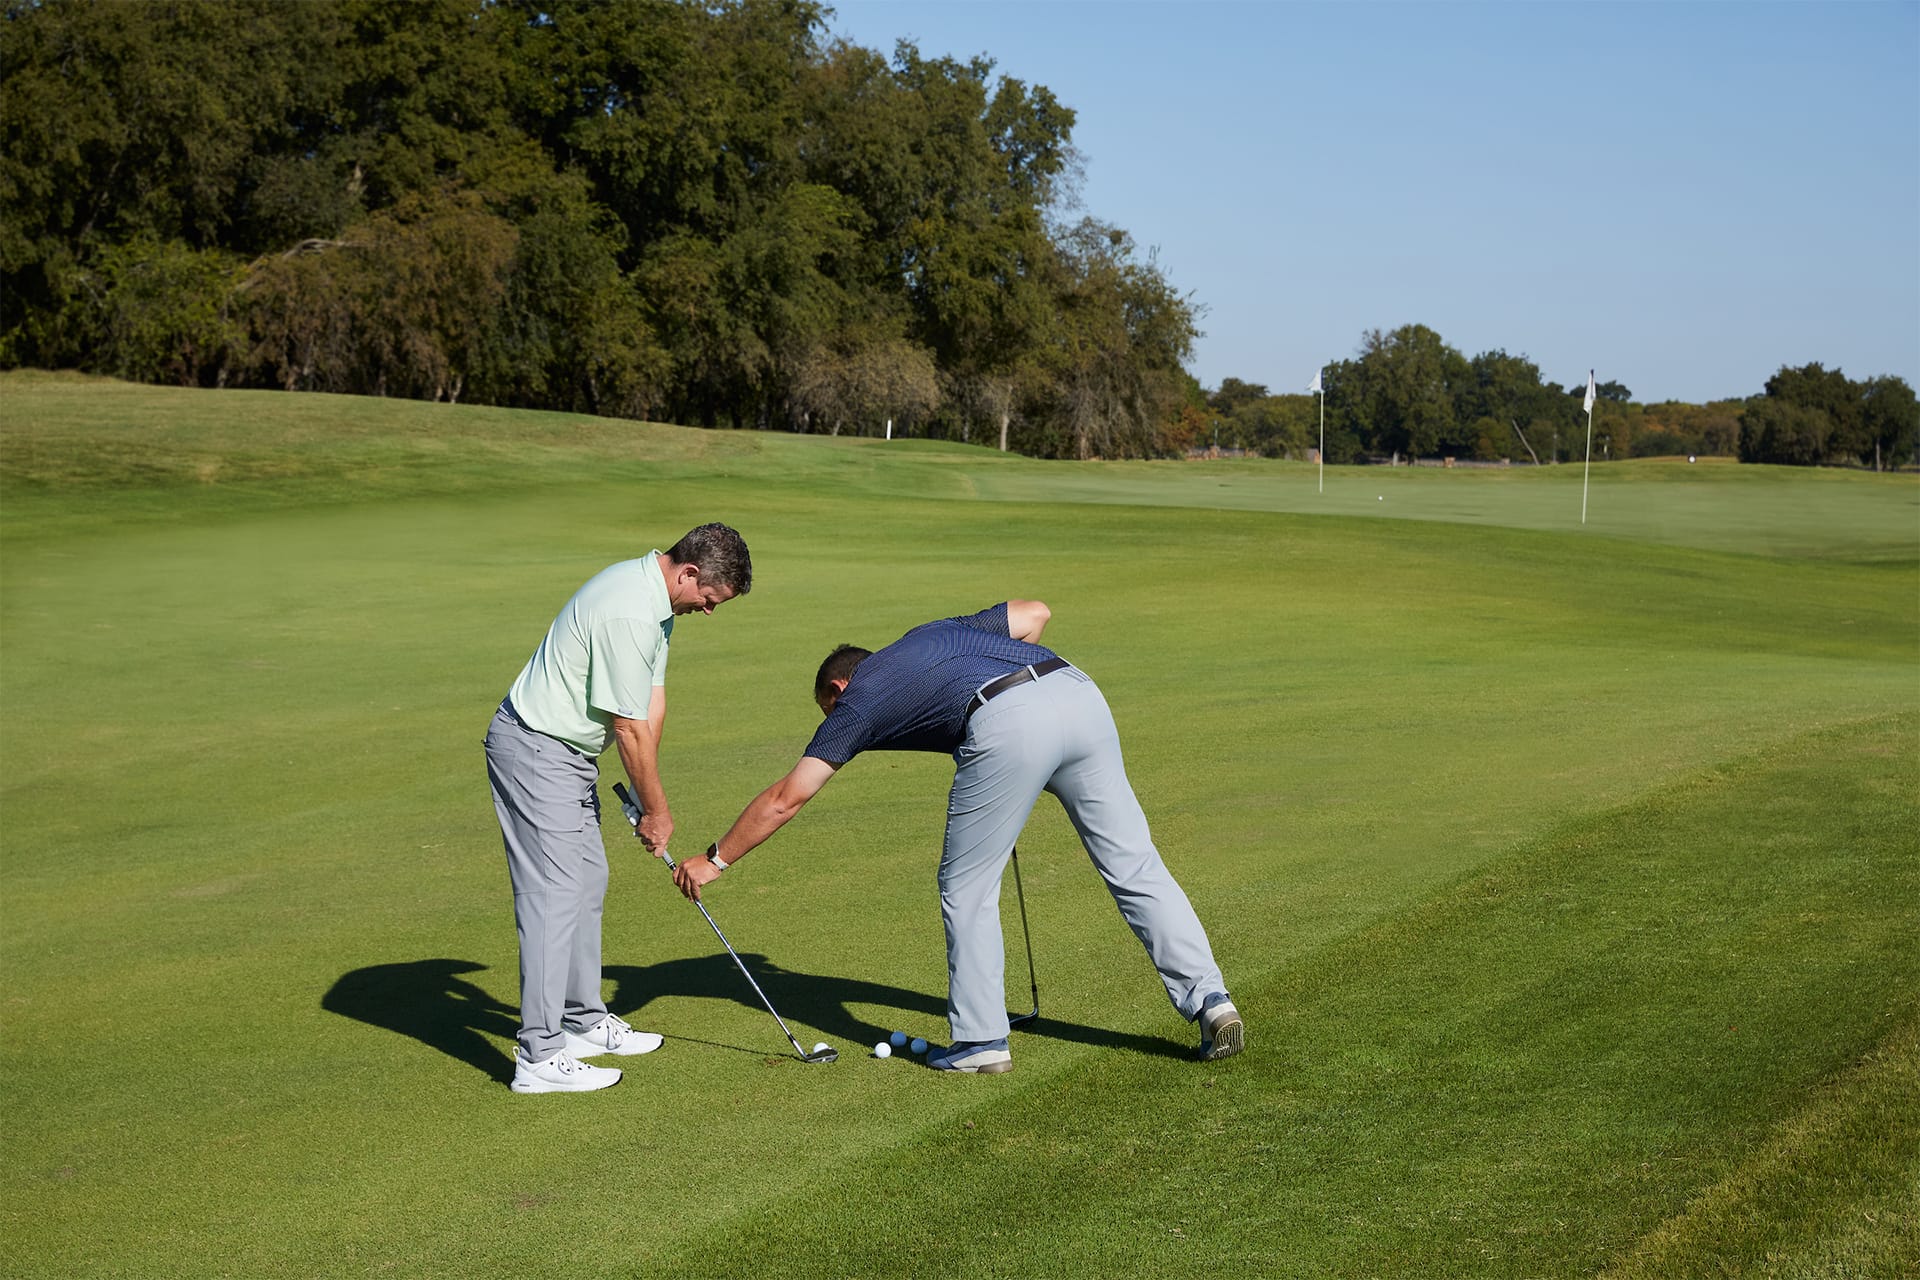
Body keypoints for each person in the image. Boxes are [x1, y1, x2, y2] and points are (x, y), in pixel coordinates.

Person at [670, 600, 1242, 1074]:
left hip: (1005, 721)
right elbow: (1035, 614)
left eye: (829, 709)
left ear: (840, 686)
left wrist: (715, 860)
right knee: (1135, 865)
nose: (833, 721)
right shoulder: (935, 632)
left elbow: (786, 797)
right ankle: (1211, 1001)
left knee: (966, 887)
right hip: (1077, 691)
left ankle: (981, 1043)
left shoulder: (858, 699)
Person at [485, 523, 752, 1094]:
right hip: (537, 749)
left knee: (587, 881)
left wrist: (645, 796)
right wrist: (657, 812)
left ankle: (580, 1020)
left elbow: (651, 706)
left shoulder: (656, 604)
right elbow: (628, 728)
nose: (708, 611)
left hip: (571, 757)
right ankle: (538, 1055)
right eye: (709, 599)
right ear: (688, 573)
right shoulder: (630, 610)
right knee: (553, 896)